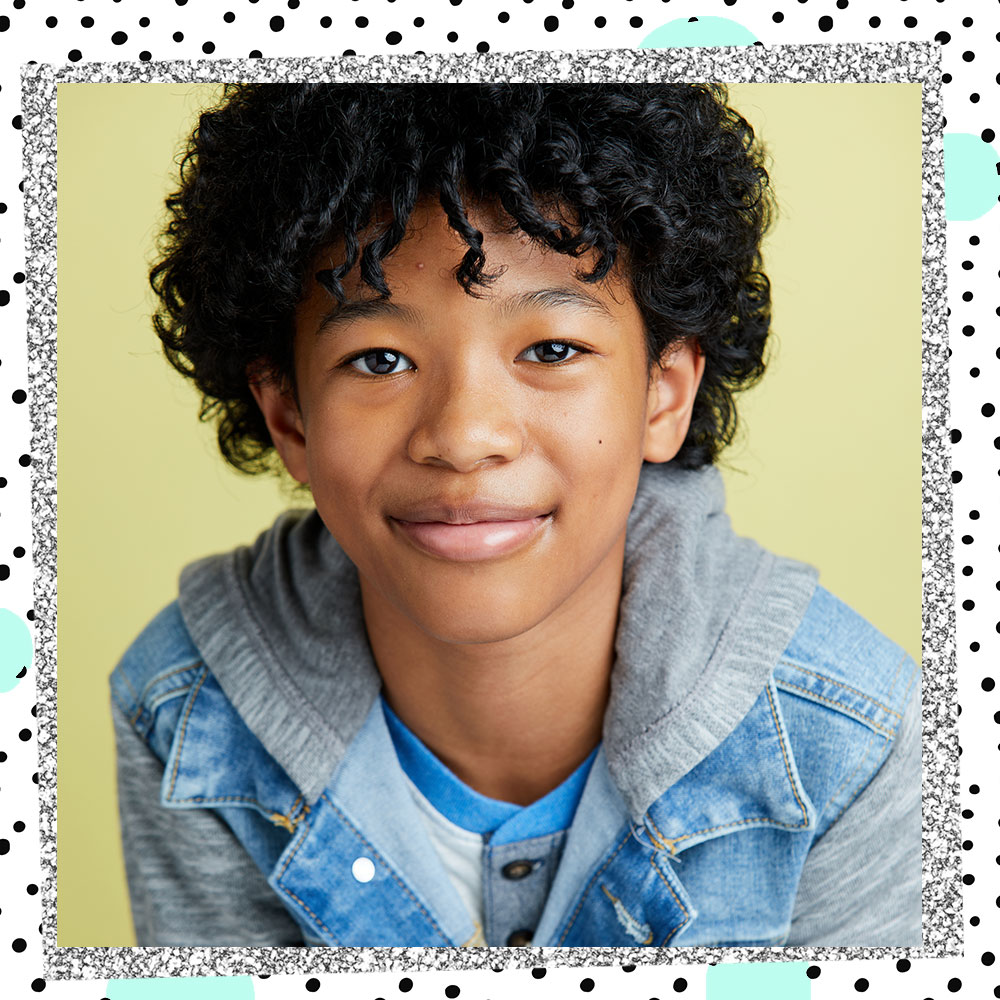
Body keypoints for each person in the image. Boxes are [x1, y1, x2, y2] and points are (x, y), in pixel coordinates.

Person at [111, 83, 920, 948]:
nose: (463, 438)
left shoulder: (851, 738)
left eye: (552, 349)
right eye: (379, 358)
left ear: (663, 394)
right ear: (289, 417)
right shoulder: (189, 712)